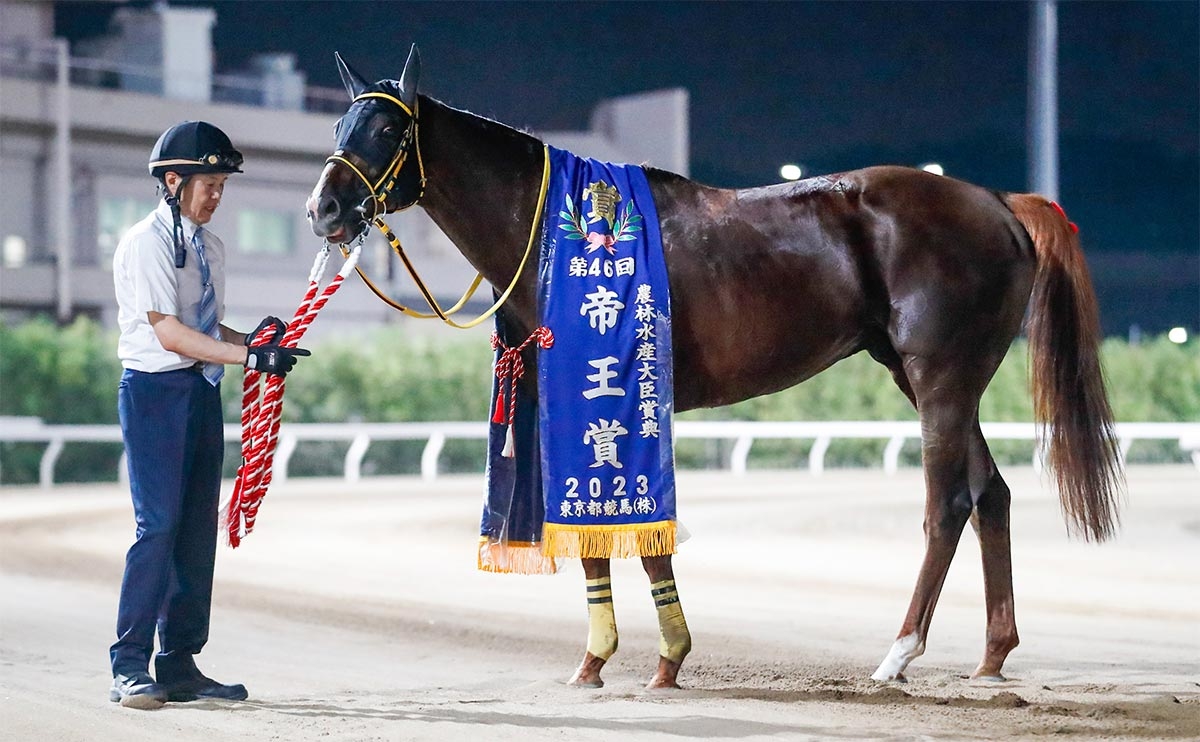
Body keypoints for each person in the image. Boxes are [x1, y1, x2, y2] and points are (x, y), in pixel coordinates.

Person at [109, 120, 309, 710]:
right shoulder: (145, 244)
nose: (216, 195)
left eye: (222, 184)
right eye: (207, 183)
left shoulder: (210, 248)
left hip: (200, 393)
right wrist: (250, 355)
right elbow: (169, 334)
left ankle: (178, 664)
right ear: (172, 181)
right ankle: (127, 667)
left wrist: (260, 344)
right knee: (160, 526)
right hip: (153, 394)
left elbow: (205, 329)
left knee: (197, 532)